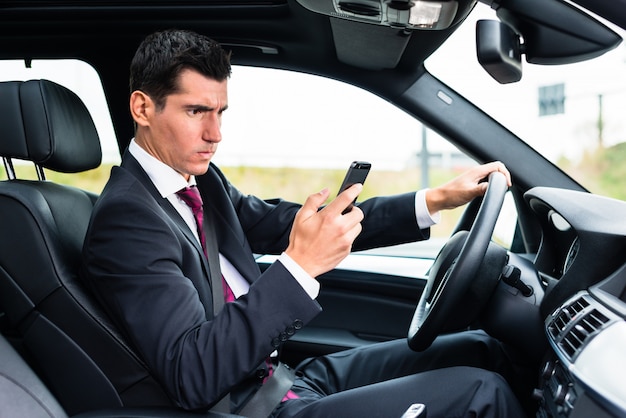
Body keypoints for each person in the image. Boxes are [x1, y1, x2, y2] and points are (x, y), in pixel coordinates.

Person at [80, 29, 526, 418]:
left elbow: (287, 224)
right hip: (246, 407)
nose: (216, 134)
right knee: (481, 395)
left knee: (481, 349)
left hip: (283, 379)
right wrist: (299, 266)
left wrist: (434, 200)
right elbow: (194, 374)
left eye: (221, 113)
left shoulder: (200, 181)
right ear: (142, 108)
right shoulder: (127, 220)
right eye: (196, 111)